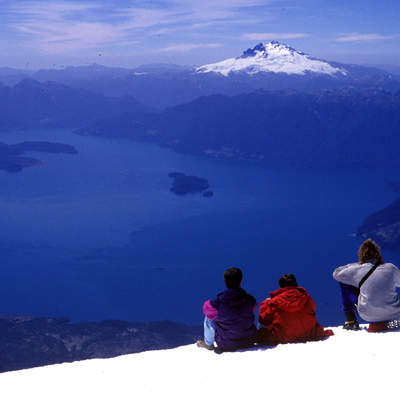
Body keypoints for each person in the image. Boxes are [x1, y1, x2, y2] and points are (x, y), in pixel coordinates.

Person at [333, 238, 400, 332]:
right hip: (395, 312)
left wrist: (356, 265)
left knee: (344, 281)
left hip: (368, 315)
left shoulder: (357, 270)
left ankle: (351, 321)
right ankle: (391, 322)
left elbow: (337, 273)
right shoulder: (391, 268)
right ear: (378, 254)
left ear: (361, 255)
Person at [257, 274, 333, 345]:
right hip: (309, 334)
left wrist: (265, 303)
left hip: (283, 337)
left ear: (280, 286)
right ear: (296, 284)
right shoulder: (306, 297)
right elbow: (313, 310)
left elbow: (264, 320)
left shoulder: (273, 301)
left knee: (261, 329)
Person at [197, 267, 257, 353]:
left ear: (225, 282)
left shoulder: (219, 302)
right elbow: (254, 305)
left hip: (227, 344)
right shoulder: (249, 300)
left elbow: (206, 308)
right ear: (240, 282)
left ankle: (209, 344)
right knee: (245, 314)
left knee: (209, 316)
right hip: (249, 340)